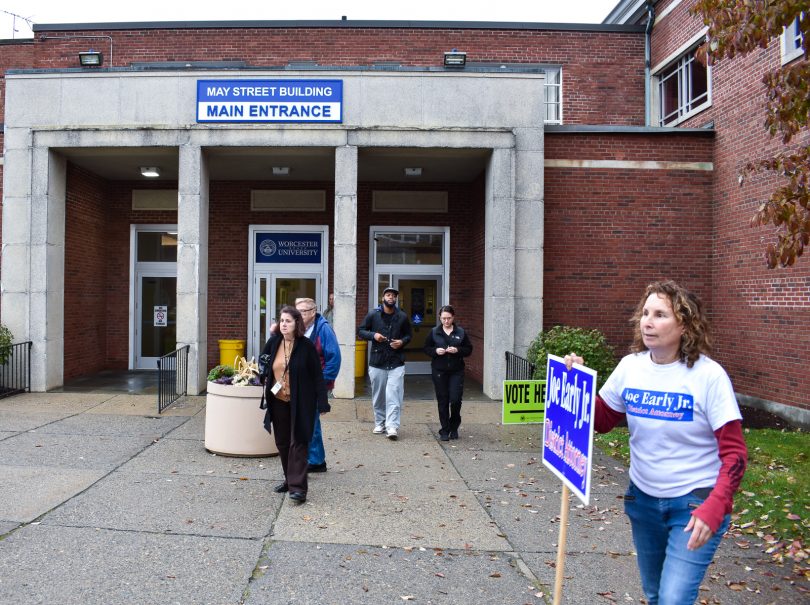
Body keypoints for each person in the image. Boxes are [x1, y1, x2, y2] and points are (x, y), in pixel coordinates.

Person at [564, 280, 747, 605]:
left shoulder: (709, 376)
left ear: (685, 324)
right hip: (643, 502)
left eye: (660, 314)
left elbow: (734, 454)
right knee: (655, 594)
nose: (648, 321)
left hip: (694, 506)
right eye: (645, 313)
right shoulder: (631, 367)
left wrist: (715, 507)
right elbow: (603, 421)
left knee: (673, 599)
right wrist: (577, 380)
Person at [260, 305, 329, 505]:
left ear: (296, 323)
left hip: (301, 402)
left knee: (298, 442)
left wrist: (322, 402)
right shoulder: (273, 343)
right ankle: (289, 480)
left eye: (288, 321)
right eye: (281, 321)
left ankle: (298, 488)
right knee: (282, 442)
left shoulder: (306, 346)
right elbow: (264, 364)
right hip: (278, 400)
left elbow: (317, 376)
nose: (284, 324)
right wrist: (261, 373)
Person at [357, 287, 412, 440]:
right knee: (379, 396)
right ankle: (380, 422)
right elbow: (360, 331)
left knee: (394, 395)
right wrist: (373, 335)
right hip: (377, 362)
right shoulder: (373, 315)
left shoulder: (402, 316)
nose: (391, 297)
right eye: (388, 295)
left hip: (396, 362)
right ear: (383, 298)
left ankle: (392, 426)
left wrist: (401, 342)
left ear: (396, 299)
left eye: (393, 296)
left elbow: (409, 335)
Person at [295, 297, 341, 473]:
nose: (298, 315)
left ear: (313, 312)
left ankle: (315, 461)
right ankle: (316, 459)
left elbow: (334, 359)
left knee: (310, 420)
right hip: (301, 382)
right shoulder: (300, 328)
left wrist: (320, 382)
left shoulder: (324, 330)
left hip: (316, 383)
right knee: (309, 420)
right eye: (296, 311)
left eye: (302, 312)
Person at [423, 305, 473, 441]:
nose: (446, 321)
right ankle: (444, 430)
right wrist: (435, 351)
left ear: (453, 317)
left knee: (456, 400)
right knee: (443, 400)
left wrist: (458, 350)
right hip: (439, 371)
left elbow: (469, 349)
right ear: (440, 318)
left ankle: (454, 426)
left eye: (449, 318)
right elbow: (426, 348)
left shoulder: (461, 332)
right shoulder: (434, 332)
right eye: (444, 318)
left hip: (456, 371)